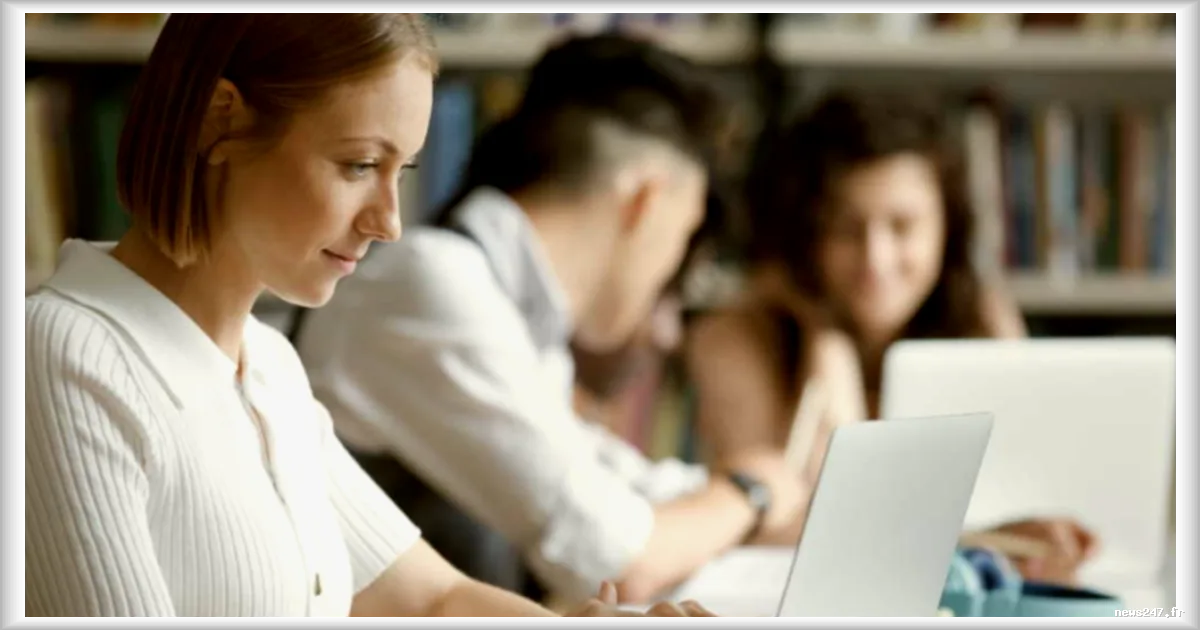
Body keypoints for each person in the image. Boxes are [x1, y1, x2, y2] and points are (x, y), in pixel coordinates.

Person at [23, 13, 715, 618]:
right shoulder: (64, 355)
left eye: (402, 173)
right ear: (219, 119)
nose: (389, 223)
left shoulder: (267, 369)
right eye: (358, 165)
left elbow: (430, 598)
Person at [295, 33, 807, 607]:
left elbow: (612, 484)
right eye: (685, 234)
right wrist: (749, 493)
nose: (670, 275)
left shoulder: (515, 308)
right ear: (645, 200)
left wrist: (762, 494)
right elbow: (618, 556)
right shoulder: (423, 284)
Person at [684, 90, 1098, 585]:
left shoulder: (983, 320)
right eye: (845, 228)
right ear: (806, 232)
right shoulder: (733, 338)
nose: (875, 260)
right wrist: (826, 340)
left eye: (903, 226)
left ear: (948, 226)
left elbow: (1011, 488)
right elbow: (800, 529)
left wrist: (1004, 536)